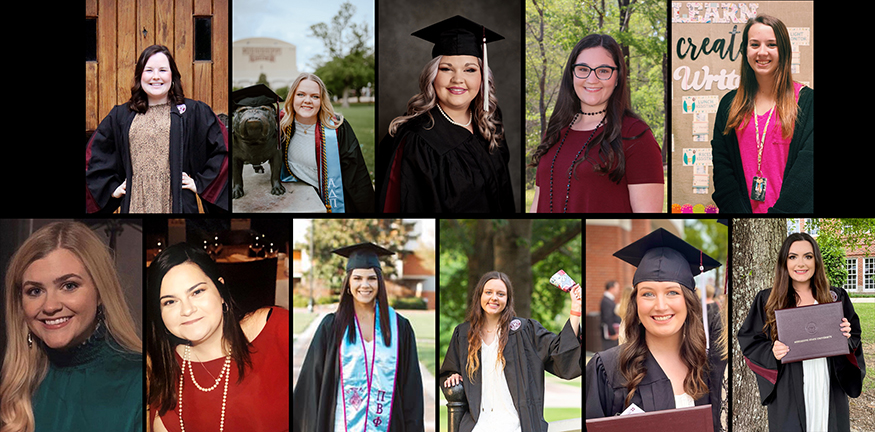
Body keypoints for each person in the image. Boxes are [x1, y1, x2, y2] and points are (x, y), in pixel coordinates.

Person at [0, 221, 143, 431]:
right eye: (35, 291)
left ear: (100, 292)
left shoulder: (138, 380)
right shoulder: (16, 383)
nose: (50, 306)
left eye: (69, 286)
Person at [585, 228, 725, 432]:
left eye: (672, 292)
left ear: (689, 301)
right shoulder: (607, 369)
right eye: (648, 294)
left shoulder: (706, 366)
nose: (660, 306)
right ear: (635, 303)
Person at [376, 15, 515, 213]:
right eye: (446, 69)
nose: (458, 79)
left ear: (483, 78)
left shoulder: (490, 120)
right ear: (432, 76)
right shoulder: (417, 140)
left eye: (470, 69)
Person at [147, 243, 289, 432]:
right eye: (170, 302)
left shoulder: (275, 329)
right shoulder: (162, 370)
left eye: (197, 292)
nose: (187, 310)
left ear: (220, 291)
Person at [737, 232, 864, 431]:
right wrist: (772, 351)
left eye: (808, 256)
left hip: (828, 382)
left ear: (816, 261)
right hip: (789, 388)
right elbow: (750, 341)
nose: (801, 264)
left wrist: (846, 337)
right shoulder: (767, 300)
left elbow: (854, 338)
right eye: (793, 257)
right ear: (784, 262)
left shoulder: (835, 297)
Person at [293, 242, 424, 432]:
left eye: (371, 278)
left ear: (380, 283)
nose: (365, 285)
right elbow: (311, 385)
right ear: (348, 284)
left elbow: (411, 391)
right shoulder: (332, 327)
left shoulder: (399, 328)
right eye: (357, 278)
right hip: (339, 426)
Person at [86, 44, 229, 213]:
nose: (155, 77)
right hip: (135, 202)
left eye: (162, 70)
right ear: (140, 76)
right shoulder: (121, 116)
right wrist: (112, 189)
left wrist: (199, 184)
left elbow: (223, 148)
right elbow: (94, 155)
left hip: (177, 202)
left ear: (172, 76)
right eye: (149, 70)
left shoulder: (193, 112)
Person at [529, 35, 663, 213]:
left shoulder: (635, 134)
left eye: (603, 71)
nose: (592, 79)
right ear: (572, 74)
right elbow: (538, 204)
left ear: (617, 77)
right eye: (583, 69)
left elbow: (647, 220)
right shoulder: (554, 132)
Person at [441, 271, 581, 432]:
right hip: (478, 426)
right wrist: (453, 375)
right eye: (488, 292)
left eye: (501, 294)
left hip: (516, 426)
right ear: (479, 296)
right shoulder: (463, 334)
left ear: (507, 300)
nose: (494, 297)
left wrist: (576, 309)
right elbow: (450, 369)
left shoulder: (525, 331)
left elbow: (560, 353)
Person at [711, 14, 814, 213]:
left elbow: (807, 175)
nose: (762, 52)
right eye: (755, 44)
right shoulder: (729, 105)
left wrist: (776, 217)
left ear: (784, 51)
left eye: (771, 45)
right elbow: (722, 170)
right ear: (745, 50)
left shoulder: (807, 103)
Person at [279, 73, 375, 213]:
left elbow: (356, 176)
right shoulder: (282, 126)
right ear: (292, 97)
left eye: (315, 96)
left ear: (321, 100)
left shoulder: (337, 128)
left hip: (336, 200)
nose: (308, 100)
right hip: (301, 199)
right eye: (301, 94)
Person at [600, 280, 621, 350]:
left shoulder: (608, 300)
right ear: (611, 288)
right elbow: (608, 318)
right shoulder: (606, 301)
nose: (618, 290)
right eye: (617, 288)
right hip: (610, 335)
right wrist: (613, 333)